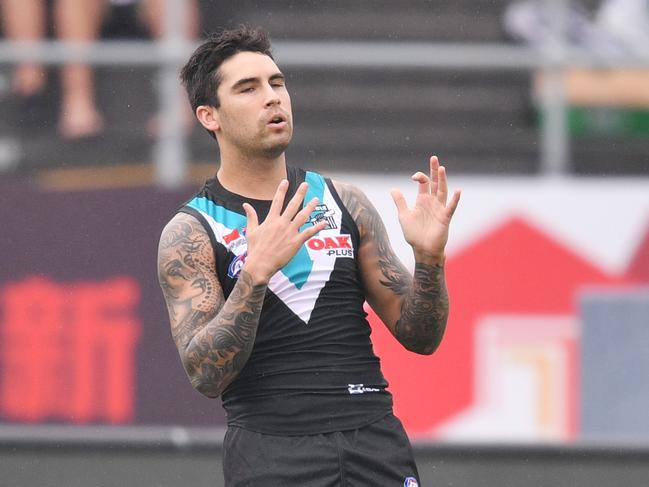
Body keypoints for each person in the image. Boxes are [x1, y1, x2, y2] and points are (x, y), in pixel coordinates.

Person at [157, 25, 461, 487]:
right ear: (208, 116)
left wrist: (430, 260)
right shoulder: (191, 231)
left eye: (277, 83)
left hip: (373, 439)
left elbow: (422, 336)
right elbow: (204, 374)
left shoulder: (344, 201)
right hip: (272, 451)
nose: (272, 97)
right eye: (248, 88)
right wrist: (254, 276)